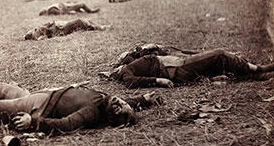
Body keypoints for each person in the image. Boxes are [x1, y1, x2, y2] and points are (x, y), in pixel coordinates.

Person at [0, 86, 162, 135]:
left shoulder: (94, 111)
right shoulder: (109, 101)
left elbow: (66, 124)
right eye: (123, 104)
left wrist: (34, 123)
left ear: (111, 117)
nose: (120, 103)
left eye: (119, 109)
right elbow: (124, 101)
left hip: (38, 106)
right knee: (1, 87)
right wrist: (143, 99)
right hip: (42, 94)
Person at [102, 48, 274, 88]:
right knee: (219, 54)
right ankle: (259, 69)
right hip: (175, 69)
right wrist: (158, 80)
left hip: (176, 64)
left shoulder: (130, 63)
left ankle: (252, 75)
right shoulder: (125, 72)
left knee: (214, 61)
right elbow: (131, 82)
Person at [24, 18, 106, 40]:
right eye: (29, 33)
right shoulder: (37, 34)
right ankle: (96, 27)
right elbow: (46, 34)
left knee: (84, 21)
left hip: (59, 26)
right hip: (60, 31)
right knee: (78, 21)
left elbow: (48, 25)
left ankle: (100, 26)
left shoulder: (36, 30)